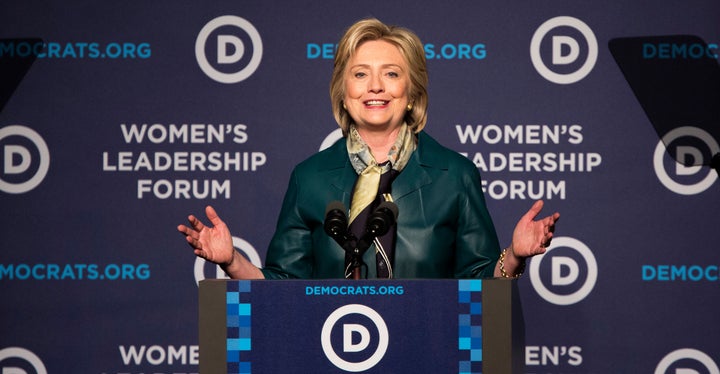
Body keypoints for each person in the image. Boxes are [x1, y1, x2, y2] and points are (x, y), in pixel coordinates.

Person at [177, 18, 559, 280]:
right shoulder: (308, 178)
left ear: (411, 93)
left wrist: (515, 254)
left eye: (391, 74)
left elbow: (480, 284)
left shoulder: (455, 175)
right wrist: (232, 262)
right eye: (360, 74)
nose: (375, 86)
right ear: (344, 93)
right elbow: (283, 288)